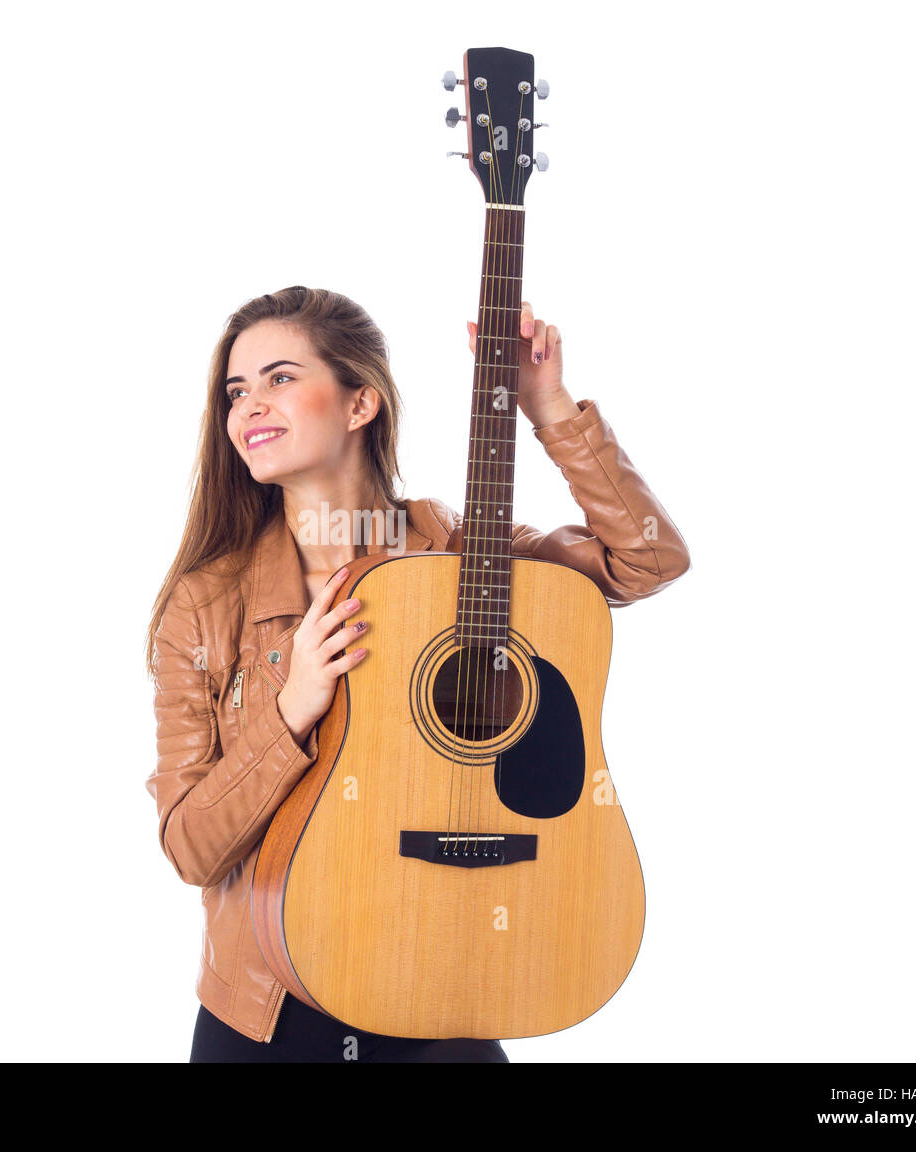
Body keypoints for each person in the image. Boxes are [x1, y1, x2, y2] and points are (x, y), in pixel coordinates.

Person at [145, 286, 690, 1062]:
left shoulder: (456, 548)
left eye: (279, 378)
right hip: (267, 1013)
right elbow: (191, 849)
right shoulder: (204, 603)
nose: (249, 407)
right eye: (236, 391)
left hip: (445, 989)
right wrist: (292, 709)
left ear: (361, 401)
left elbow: (647, 561)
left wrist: (551, 409)